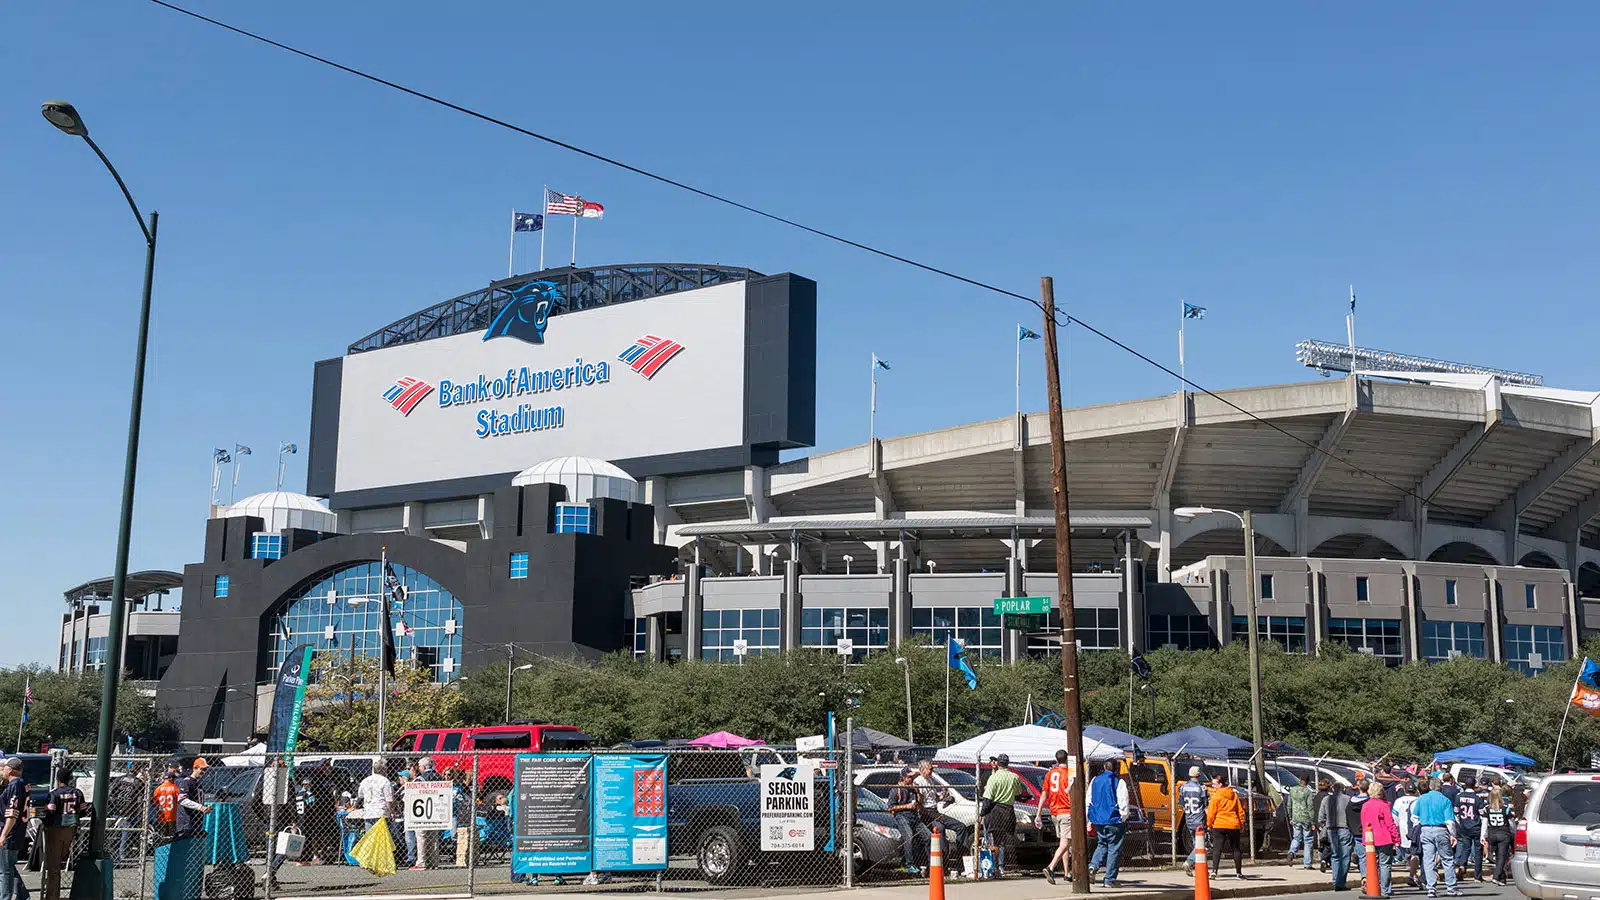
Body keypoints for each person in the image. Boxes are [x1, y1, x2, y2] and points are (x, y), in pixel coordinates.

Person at [912, 761, 966, 875]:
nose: (932, 771)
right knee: (940, 829)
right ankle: (943, 862)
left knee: (961, 826)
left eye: (932, 769)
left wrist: (943, 796)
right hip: (927, 813)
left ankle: (960, 856)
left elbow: (935, 798)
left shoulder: (930, 780)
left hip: (935, 811)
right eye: (930, 769)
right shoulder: (918, 782)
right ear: (922, 770)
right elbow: (920, 804)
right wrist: (919, 795)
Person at [1414, 777, 1461, 898]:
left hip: (1426, 829)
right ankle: (1451, 887)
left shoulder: (1421, 799)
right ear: (1440, 787)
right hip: (1441, 829)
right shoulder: (1445, 800)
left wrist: (1421, 824)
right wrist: (1453, 835)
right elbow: (1450, 821)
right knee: (1447, 859)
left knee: (1428, 860)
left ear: (1430, 786)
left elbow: (1414, 817)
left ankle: (1431, 888)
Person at [1086, 759, 1130, 887]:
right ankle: (1109, 879)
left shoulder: (1095, 780)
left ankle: (1093, 866)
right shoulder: (1118, 782)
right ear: (1116, 768)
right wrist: (1123, 818)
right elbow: (1123, 802)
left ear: (1104, 767)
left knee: (1102, 844)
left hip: (1098, 819)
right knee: (1114, 849)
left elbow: (1089, 800)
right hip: (1114, 819)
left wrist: (1090, 818)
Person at [42, 770, 85, 900]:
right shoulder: (77, 792)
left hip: (56, 828)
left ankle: (52, 896)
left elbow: (50, 812)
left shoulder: (54, 793)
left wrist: (45, 823)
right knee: (62, 858)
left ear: (57, 779)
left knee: (53, 865)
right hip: (71, 828)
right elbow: (83, 811)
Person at [981, 754, 1025, 877]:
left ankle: (994, 868)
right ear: (1007, 763)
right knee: (1004, 842)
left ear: (998, 764)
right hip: (1009, 810)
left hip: (996, 810)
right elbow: (1018, 793)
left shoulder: (994, 778)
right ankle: (1000, 867)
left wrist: (982, 813)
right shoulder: (1014, 777)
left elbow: (988, 799)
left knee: (995, 841)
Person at [1360, 781, 1401, 899]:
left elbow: (1364, 823)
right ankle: (1385, 889)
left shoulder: (1365, 805)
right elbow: (1390, 823)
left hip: (1369, 839)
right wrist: (1396, 838)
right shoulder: (1383, 805)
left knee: (1372, 864)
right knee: (1385, 864)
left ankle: (1373, 886)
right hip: (1383, 838)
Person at [1041, 750, 1075, 884]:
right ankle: (1051, 867)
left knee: (1064, 842)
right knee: (1066, 843)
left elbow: (1044, 794)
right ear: (1066, 759)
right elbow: (1074, 791)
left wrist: (1039, 813)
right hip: (1066, 810)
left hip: (1055, 811)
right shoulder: (1069, 774)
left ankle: (1067, 873)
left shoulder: (1050, 774)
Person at [1318, 774, 1356, 890]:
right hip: (1344, 828)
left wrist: (1324, 826)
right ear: (1343, 789)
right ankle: (1340, 882)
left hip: (1331, 830)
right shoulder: (1348, 799)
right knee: (1345, 856)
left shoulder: (1326, 799)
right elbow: (1352, 815)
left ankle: (1335, 880)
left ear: (1333, 789)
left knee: (1335, 856)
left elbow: (1321, 817)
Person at [888, 769, 929, 875]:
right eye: (909, 777)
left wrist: (918, 791)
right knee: (909, 837)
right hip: (902, 816)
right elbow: (891, 807)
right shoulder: (896, 789)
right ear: (903, 778)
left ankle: (928, 863)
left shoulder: (913, 789)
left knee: (928, 837)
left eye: (913, 777)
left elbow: (920, 803)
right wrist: (906, 806)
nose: (912, 779)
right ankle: (908, 864)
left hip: (914, 817)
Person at [0, 759, 30, 900]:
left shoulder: (15, 784)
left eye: (4, 768)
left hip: (11, 832)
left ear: (10, 770)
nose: (2, 770)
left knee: (4, 871)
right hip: (17, 831)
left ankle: (5, 897)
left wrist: (3, 834)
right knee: (10, 867)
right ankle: (24, 896)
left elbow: (12, 813)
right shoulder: (23, 784)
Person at [1206, 773, 1245, 879]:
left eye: (1214, 784)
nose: (1212, 786)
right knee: (1236, 849)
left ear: (1220, 784)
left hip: (1219, 824)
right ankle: (1239, 872)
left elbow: (1211, 812)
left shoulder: (1216, 796)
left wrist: (1209, 824)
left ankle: (1214, 871)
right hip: (1233, 824)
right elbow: (1240, 811)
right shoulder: (1234, 795)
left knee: (1217, 848)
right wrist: (1241, 823)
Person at [411, 757, 444, 870]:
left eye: (420, 766)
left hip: (423, 810)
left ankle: (421, 862)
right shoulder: (440, 778)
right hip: (437, 809)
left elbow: (414, 794)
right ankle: (433, 862)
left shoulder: (420, 779)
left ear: (423, 767)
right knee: (433, 837)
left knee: (421, 837)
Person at [1178, 766, 1210, 876]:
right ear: (1199, 775)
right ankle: (1189, 862)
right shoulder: (1202, 788)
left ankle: (1200, 868)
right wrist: (1210, 820)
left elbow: (1182, 805)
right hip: (1199, 820)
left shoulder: (1183, 787)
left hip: (1188, 819)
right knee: (1202, 845)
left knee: (1195, 844)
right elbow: (1206, 807)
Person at [1392, 779, 1421, 890]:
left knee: (1408, 855)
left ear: (1404, 790)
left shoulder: (1399, 801)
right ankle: (1413, 875)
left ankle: (1412, 874)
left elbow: (1394, 817)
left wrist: (1395, 832)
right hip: (1416, 831)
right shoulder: (1418, 800)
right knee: (1415, 854)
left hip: (1403, 831)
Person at [1482, 786, 1513, 886]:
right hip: (1503, 834)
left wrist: (1483, 835)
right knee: (1502, 857)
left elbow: (1484, 823)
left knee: (1499, 857)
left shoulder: (1487, 809)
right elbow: (1511, 823)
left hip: (1492, 834)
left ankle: (1502, 878)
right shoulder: (1505, 809)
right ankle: (1496, 876)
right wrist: (1514, 833)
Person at [1286, 771, 1317, 870]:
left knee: (1296, 838)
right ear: (1307, 781)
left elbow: (1289, 805)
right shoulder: (1308, 792)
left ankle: (1292, 852)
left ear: (1300, 780)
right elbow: (1310, 808)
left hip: (1295, 817)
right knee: (1308, 840)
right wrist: (1313, 822)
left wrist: (1290, 817)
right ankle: (1307, 864)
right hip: (1306, 818)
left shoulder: (1292, 790)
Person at [1453, 775, 1482, 881]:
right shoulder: (1477, 798)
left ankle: (1462, 865)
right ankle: (1477, 876)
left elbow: (1456, 812)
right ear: (1474, 786)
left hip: (1464, 825)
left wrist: (1459, 823)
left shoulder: (1458, 796)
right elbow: (1482, 814)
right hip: (1476, 826)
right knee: (1478, 851)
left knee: (1466, 847)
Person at [356, 757, 395, 835]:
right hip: (381, 813)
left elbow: (360, 795)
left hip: (369, 812)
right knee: (382, 838)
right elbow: (388, 800)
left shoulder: (365, 780)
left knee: (370, 838)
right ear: (383, 770)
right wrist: (392, 812)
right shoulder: (385, 781)